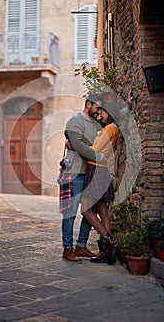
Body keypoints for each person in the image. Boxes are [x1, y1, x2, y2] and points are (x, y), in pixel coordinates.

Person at [59, 94, 105, 263]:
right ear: (88, 105)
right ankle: (67, 249)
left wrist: (127, 107)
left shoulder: (97, 124)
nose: (99, 111)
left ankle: (81, 245)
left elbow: (110, 128)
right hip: (73, 173)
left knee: (90, 211)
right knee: (69, 212)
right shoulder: (75, 121)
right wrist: (97, 155)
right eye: (97, 107)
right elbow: (77, 145)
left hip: (89, 174)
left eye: (101, 109)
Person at [81, 101, 120, 265]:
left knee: (86, 210)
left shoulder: (110, 128)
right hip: (101, 169)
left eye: (102, 112)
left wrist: (78, 145)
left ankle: (109, 240)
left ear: (109, 112)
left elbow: (95, 150)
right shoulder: (114, 128)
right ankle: (107, 251)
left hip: (95, 169)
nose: (99, 115)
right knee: (102, 209)